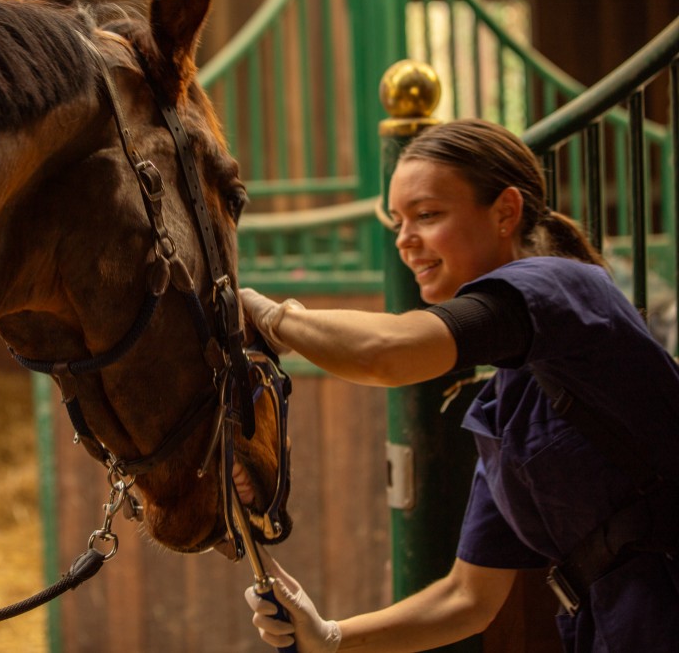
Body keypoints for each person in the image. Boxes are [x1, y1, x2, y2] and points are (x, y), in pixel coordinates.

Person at [240, 118, 679, 652]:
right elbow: (467, 599)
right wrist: (328, 636)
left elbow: (389, 352)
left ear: (505, 212)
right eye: (398, 220)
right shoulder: (504, 404)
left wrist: (269, 317)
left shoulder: (563, 286)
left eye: (427, 215)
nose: (404, 240)